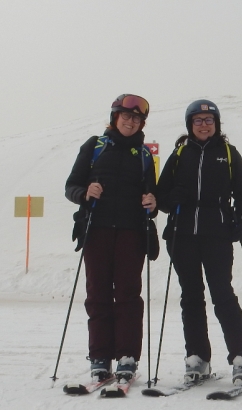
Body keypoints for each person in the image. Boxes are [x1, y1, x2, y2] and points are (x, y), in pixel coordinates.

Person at [157, 99, 242, 385]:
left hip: (217, 234)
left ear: (217, 124)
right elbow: (161, 196)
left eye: (208, 120)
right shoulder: (179, 154)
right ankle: (197, 357)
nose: (203, 125)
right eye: (198, 120)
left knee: (222, 294)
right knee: (191, 296)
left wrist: (240, 222)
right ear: (190, 125)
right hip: (182, 234)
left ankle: (241, 358)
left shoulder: (228, 152)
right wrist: (173, 198)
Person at [65, 94, 157, 382]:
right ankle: (100, 356)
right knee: (98, 294)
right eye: (125, 117)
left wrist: (153, 203)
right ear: (115, 118)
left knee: (129, 295)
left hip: (131, 233)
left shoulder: (144, 155)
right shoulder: (95, 146)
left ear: (141, 123)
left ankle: (127, 356)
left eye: (136, 119)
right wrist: (84, 193)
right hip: (97, 231)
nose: (130, 122)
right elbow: (71, 186)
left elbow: (153, 196)